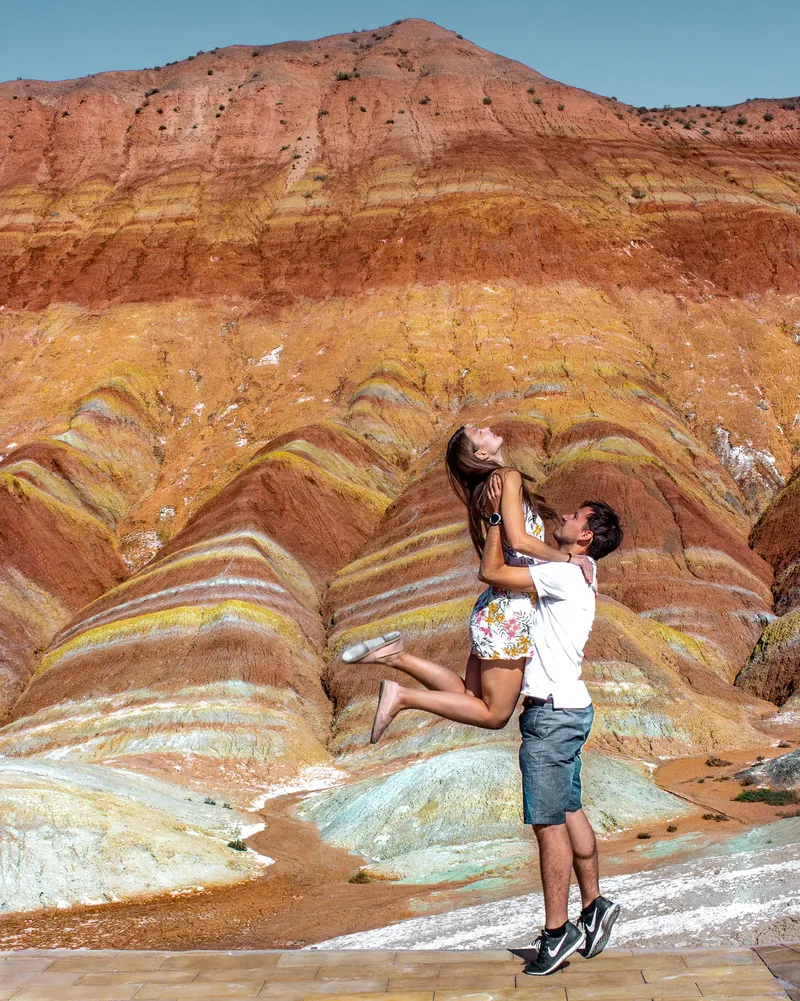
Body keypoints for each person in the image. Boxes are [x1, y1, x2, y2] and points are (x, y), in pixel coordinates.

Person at [340, 425, 594, 740]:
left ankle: (395, 656)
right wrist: (569, 559)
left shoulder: (486, 489)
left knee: (470, 698)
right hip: (511, 613)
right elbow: (520, 541)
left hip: (493, 607)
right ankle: (403, 697)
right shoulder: (506, 477)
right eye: (477, 433)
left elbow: (504, 543)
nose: (485, 427)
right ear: (481, 454)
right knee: (495, 714)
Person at [477, 474, 623, 974]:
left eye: (575, 517)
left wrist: (498, 510)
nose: (565, 517)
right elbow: (536, 547)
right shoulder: (581, 570)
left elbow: (497, 567)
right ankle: (595, 906)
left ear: (586, 536)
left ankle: (557, 934)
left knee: (547, 824)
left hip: (552, 714)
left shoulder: (566, 574)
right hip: (572, 708)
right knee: (569, 808)